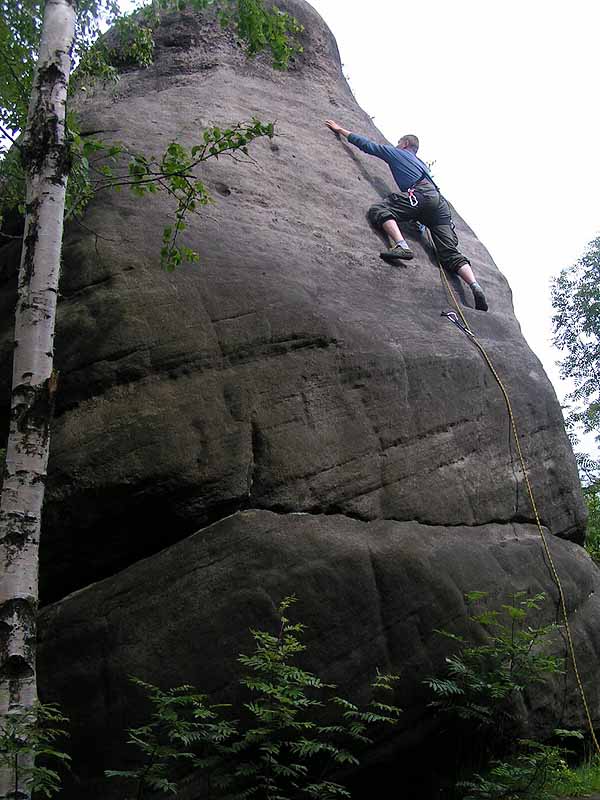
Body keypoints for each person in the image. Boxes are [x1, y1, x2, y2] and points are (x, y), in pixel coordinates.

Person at [324, 120, 488, 312]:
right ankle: (475, 285)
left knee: (380, 211)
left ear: (405, 144)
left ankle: (401, 246)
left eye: (398, 142)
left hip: (420, 196)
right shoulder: (422, 165)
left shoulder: (399, 153)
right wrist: (418, 223)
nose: (396, 145)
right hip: (439, 205)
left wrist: (340, 130)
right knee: (449, 253)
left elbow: (369, 146)